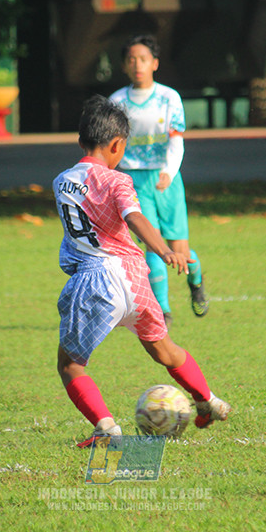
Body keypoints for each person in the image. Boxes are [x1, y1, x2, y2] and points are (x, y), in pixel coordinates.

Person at [53, 96, 230, 446]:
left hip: (94, 282)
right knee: (164, 349)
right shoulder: (118, 181)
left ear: (80, 140)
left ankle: (106, 427)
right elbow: (134, 217)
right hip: (134, 279)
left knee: (70, 365)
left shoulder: (61, 181)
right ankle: (209, 400)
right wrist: (164, 250)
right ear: (118, 145)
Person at [109, 34, 207, 327]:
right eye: (131, 60)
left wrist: (169, 171)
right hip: (134, 180)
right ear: (124, 66)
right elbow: (111, 144)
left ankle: (196, 280)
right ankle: (163, 311)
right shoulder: (117, 101)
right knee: (152, 246)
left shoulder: (169, 97)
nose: (137, 65)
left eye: (143, 59)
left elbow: (176, 140)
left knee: (179, 252)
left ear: (155, 63)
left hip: (167, 178)